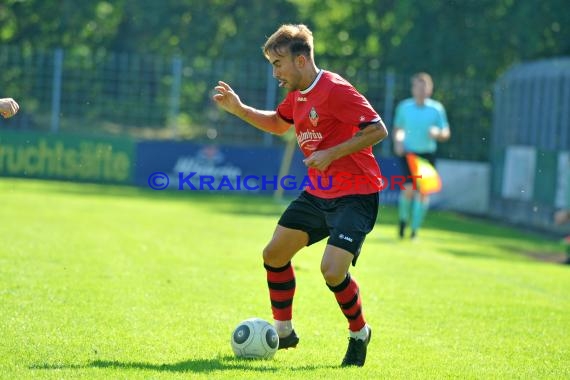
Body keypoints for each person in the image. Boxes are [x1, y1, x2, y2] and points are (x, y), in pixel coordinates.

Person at [212, 24, 388, 367]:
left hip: (357, 194)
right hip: (318, 192)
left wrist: (331, 153)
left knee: (332, 271)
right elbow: (279, 124)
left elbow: (377, 129)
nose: (275, 72)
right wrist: (240, 109)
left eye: (279, 64)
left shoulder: (336, 90)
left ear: (302, 60)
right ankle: (284, 331)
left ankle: (359, 333)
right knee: (274, 254)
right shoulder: (297, 94)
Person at [392, 73, 450, 239]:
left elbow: (446, 132)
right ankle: (403, 222)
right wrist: (398, 142)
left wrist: (438, 133)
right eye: (418, 86)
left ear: (430, 89)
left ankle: (415, 231)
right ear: (413, 88)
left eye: (424, 86)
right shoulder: (404, 107)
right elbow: (398, 129)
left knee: (423, 192)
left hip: (427, 155)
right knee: (409, 190)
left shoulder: (436, 109)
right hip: (409, 154)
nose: (421, 90)